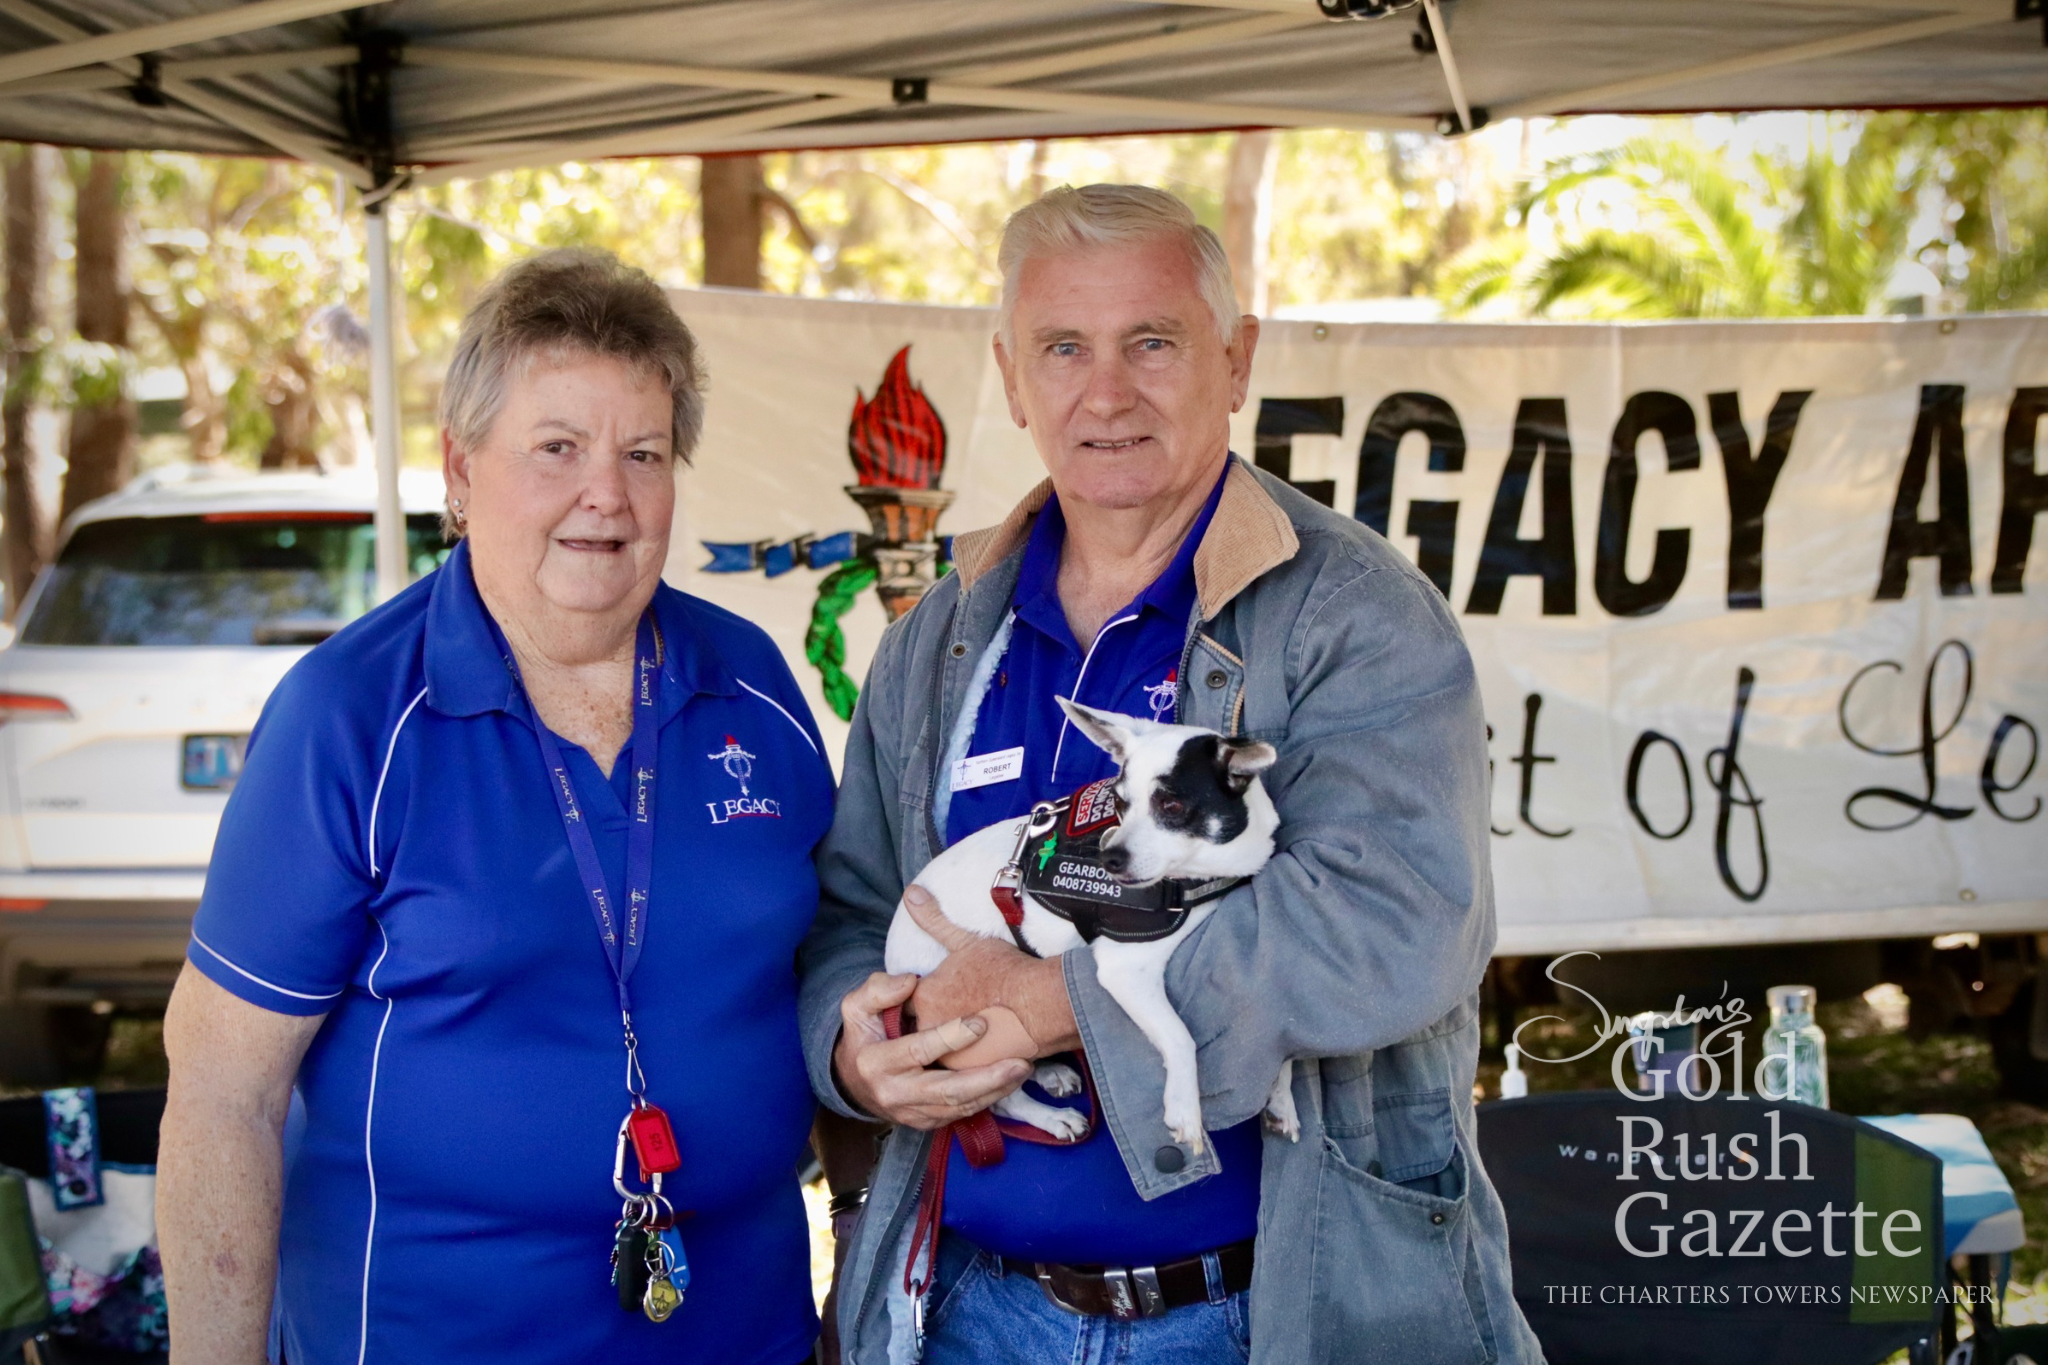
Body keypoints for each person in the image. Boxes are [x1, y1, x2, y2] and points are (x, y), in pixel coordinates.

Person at [799, 185, 1543, 1364]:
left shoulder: (1352, 616)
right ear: (1008, 373)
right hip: (967, 1316)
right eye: (1062, 348)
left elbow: (1393, 925)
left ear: (1234, 359)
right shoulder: (937, 639)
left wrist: (1049, 1007)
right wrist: (858, 1050)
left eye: (1151, 342)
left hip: (1267, 1316)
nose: (1105, 392)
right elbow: (850, 910)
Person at [157, 249, 833, 1365]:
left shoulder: (750, 678)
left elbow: (834, 985)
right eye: (556, 449)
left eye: (642, 454)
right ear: (460, 471)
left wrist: (859, 1251)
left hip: (741, 1335)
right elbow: (226, 1096)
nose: (604, 495)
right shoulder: (350, 717)